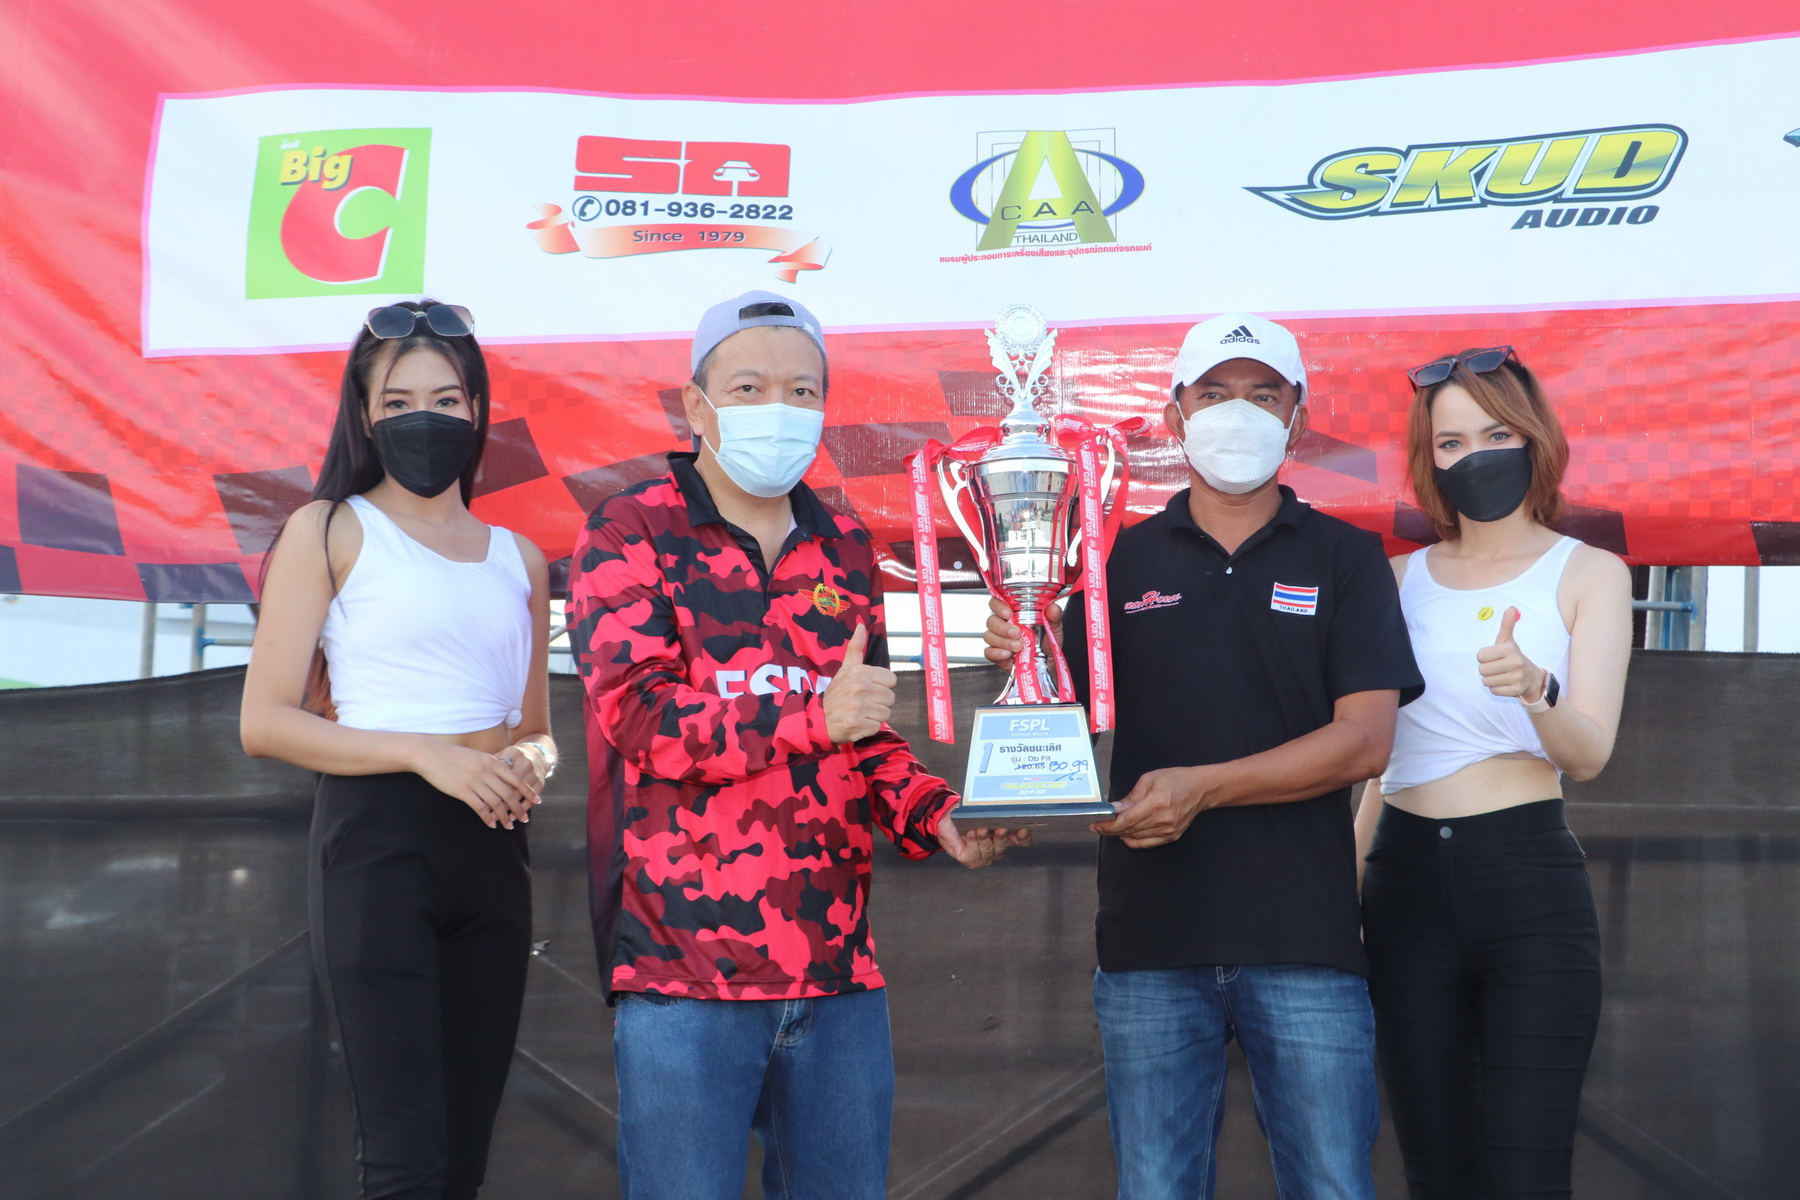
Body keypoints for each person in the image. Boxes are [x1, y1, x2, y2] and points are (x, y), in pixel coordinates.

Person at [567, 290, 1028, 1200]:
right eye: (748, 387)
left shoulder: (844, 546)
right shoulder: (630, 530)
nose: (777, 407)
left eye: (802, 390)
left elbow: (867, 732)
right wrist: (816, 716)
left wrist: (937, 817)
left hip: (837, 974)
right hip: (682, 974)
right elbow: (641, 718)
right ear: (697, 405)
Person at [985, 311, 1423, 1199]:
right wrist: (1027, 650)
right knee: (1156, 1188)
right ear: (1174, 413)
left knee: (1333, 1186)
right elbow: (1067, 722)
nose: (1238, 413)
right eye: (1215, 393)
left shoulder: (1345, 558)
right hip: (1151, 940)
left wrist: (1204, 789)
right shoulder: (1111, 559)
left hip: (1304, 939)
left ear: (1298, 419)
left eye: (1264, 396)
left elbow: (1366, 741)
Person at [241, 300, 554, 1200]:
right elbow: (264, 722)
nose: (427, 418)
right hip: (378, 846)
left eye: (447, 400)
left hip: (494, 848)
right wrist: (426, 755)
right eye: (400, 401)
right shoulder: (330, 528)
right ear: (366, 414)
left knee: (463, 1159)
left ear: (477, 408)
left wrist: (525, 766)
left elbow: (539, 733)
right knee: (405, 1159)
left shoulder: (522, 558)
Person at [1353, 347, 1631, 1199]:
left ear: (1533, 437)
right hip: (1403, 885)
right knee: (1435, 1172)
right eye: (1451, 442)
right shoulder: (1392, 580)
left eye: (1495, 434)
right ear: (1428, 459)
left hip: (1528, 883)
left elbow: (1588, 754)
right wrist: (1343, 893)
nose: (1474, 456)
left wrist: (1536, 690)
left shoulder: (1590, 573)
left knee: (1527, 1171)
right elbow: (1375, 768)